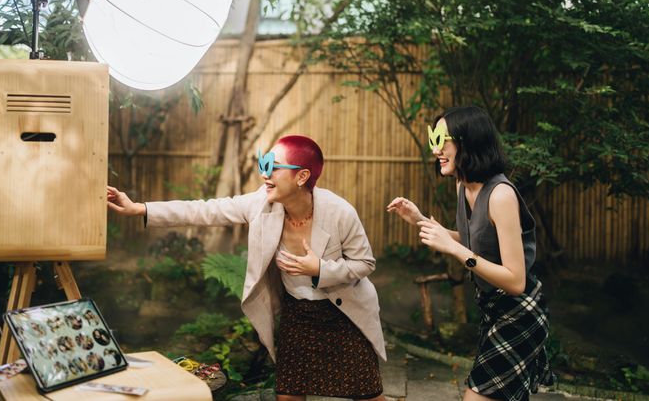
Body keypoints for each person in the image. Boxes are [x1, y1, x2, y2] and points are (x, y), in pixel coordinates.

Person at [108, 135, 386, 401]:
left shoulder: (340, 212)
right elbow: (205, 210)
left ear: (301, 176)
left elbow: (365, 263)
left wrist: (321, 269)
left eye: (273, 168)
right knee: (288, 393)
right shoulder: (260, 204)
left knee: (367, 393)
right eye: (263, 164)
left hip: (343, 314)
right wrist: (140, 209)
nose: (265, 174)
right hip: (298, 314)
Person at [388, 106, 554, 401]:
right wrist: (420, 220)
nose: (436, 149)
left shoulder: (501, 195)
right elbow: (473, 241)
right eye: (432, 139)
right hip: (492, 309)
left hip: (520, 312)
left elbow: (516, 281)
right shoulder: (463, 187)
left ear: (468, 140)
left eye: (442, 139)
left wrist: (453, 248)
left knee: (476, 395)